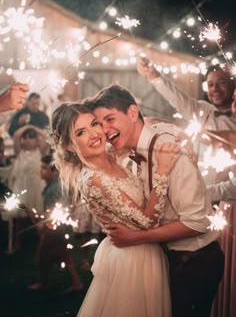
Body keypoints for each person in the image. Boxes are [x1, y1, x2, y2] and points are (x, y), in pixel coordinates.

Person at [84, 84, 224, 317]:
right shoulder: (134, 150)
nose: (105, 130)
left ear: (131, 113)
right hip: (167, 259)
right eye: (100, 124)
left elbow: (198, 222)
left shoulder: (169, 151)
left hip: (194, 262)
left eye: (110, 119)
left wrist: (136, 238)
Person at [51, 102, 182, 317]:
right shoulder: (93, 179)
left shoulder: (113, 153)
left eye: (94, 124)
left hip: (146, 251)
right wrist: (163, 171)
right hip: (133, 260)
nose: (94, 134)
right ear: (69, 146)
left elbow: (146, 123)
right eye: (81, 132)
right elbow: (148, 222)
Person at [28, 154, 83, 292]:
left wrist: (45, 225)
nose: (41, 171)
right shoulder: (53, 185)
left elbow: (59, 209)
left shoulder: (56, 188)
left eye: (44, 168)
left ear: (55, 171)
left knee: (43, 256)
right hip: (56, 227)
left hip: (55, 228)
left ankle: (43, 282)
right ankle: (76, 283)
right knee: (63, 254)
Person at [137, 58, 236, 130]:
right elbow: (177, 98)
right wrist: (153, 74)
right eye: (210, 84)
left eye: (222, 82)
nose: (215, 89)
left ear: (233, 85)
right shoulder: (203, 109)